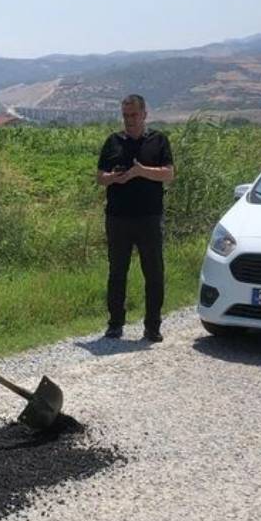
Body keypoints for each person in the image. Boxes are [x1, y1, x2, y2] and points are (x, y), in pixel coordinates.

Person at [96, 94, 175, 343]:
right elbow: (100, 176)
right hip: (118, 218)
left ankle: (152, 326)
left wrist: (141, 171)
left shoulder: (158, 140)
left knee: (153, 273)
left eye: (133, 115)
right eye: (125, 115)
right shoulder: (113, 142)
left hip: (149, 217)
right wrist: (114, 178)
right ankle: (115, 324)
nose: (129, 120)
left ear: (144, 114)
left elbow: (168, 174)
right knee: (117, 272)